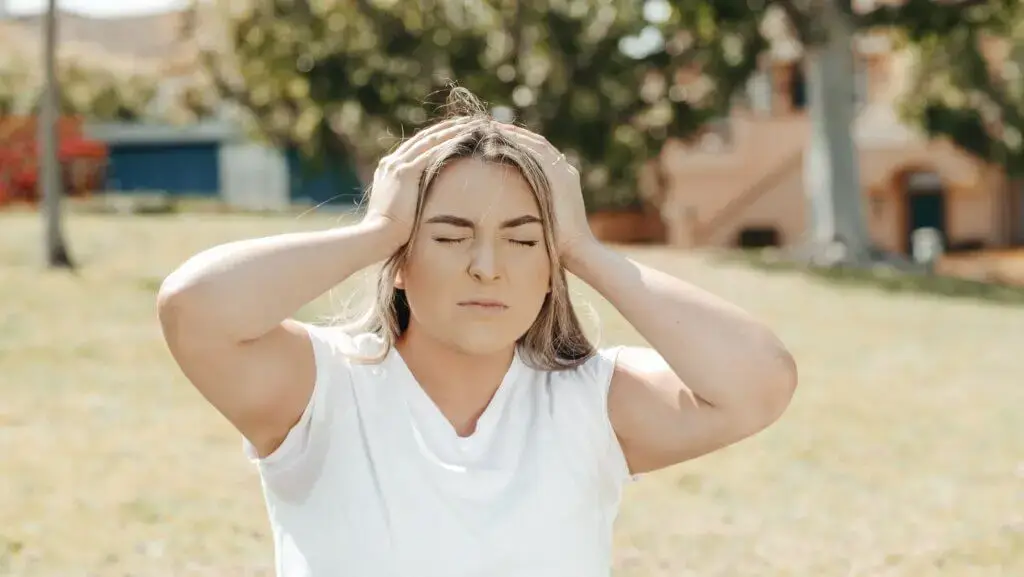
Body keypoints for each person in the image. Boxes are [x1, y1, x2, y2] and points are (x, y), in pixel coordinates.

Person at [157, 89, 798, 577]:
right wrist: (374, 233)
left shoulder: (592, 401)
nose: (486, 266)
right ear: (402, 261)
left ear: (551, 269)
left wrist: (583, 247)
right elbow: (194, 307)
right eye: (449, 235)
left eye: (522, 240)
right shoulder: (320, 390)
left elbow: (761, 382)